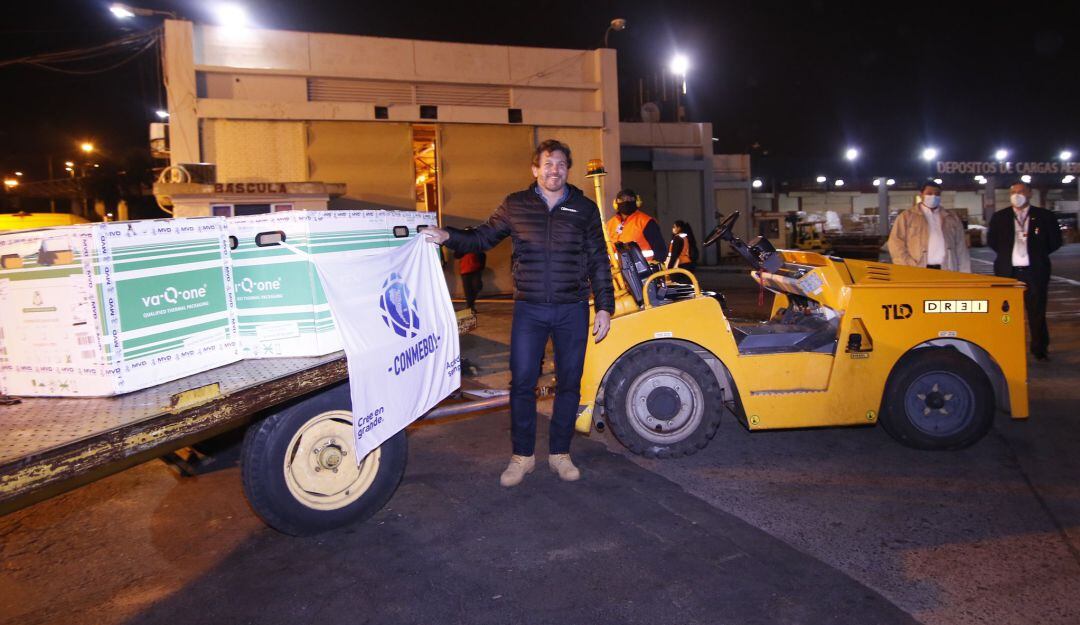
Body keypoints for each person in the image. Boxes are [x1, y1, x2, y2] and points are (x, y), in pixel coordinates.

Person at [422, 139, 615, 486]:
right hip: (530, 309)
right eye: (548, 164)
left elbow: (599, 259)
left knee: (570, 383)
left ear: (567, 169)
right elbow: (481, 238)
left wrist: (604, 306)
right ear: (535, 169)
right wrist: (447, 235)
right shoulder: (516, 205)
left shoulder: (584, 209)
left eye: (560, 164)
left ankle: (560, 454)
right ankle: (522, 457)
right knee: (522, 383)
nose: (554, 170)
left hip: (572, 308)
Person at [987, 181, 1063, 361]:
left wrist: (1037, 254)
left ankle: (1039, 349)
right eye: (1013, 191)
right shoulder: (1000, 217)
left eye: (1021, 191)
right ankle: (1007, 347)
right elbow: (993, 241)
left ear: (1029, 193)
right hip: (1008, 272)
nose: (1017, 195)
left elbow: (1055, 241)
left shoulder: (1044, 216)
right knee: (1007, 314)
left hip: (1035, 272)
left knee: (1037, 312)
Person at [887, 180, 971, 272]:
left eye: (937, 194)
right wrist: (908, 264)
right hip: (918, 270)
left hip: (947, 269)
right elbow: (895, 243)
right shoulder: (907, 217)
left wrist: (965, 271)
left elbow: (961, 248)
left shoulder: (951, 218)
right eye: (929, 193)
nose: (933, 196)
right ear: (921, 195)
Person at [606, 189, 668, 265]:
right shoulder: (609, 224)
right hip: (616, 273)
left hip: (644, 272)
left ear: (637, 202)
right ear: (615, 203)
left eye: (630, 199)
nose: (626, 202)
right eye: (622, 199)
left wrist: (653, 268)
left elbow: (661, 251)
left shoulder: (646, 222)